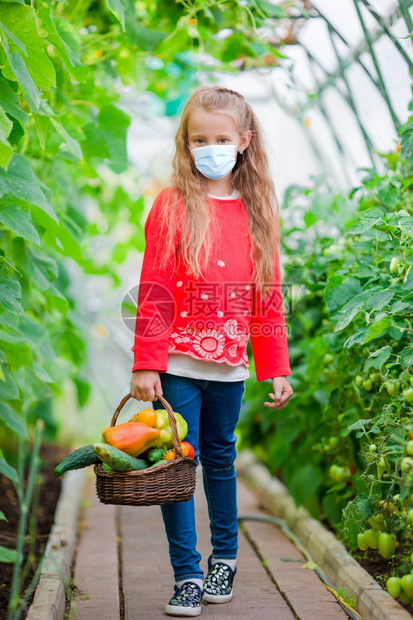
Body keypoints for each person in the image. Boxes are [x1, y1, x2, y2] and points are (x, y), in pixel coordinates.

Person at [130, 85, 294, 617]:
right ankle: (187, 573)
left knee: (220, 460)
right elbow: (154, 285)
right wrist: (147, 362)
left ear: (243, 141)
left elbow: (266, 297)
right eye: (199, 139)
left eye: (221, 138)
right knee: (181, 462)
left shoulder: (257, 212)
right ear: (186, 143)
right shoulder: (174, 205)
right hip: (176, 364)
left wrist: (275, 367)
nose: (210, 147)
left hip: (228, 369)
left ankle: (225, 557)